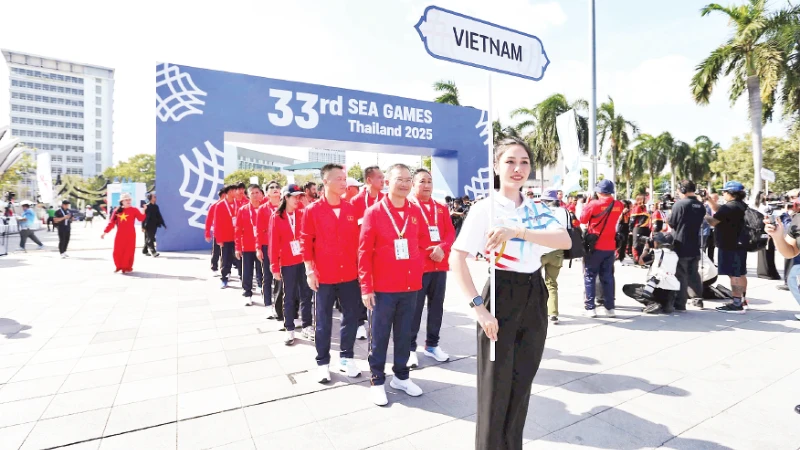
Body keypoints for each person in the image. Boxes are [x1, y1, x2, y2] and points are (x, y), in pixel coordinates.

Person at [449, 138, 569, 450]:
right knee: (495, 386)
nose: (518, 169)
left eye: (524, 162)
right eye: (510, 162)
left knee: (522, 380)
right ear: (496, 166)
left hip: (534, 291)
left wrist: (517, 232)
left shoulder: (536, 208)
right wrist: (479, 309)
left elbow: (565, 240)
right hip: (501, 294)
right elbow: (457, 258)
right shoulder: (484, 209)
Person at [359, 163, 428, 406]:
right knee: (378, 336)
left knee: (404, 334)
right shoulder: (374, 212)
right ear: (387, 182)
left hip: (410, 286)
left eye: (409, 179)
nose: (405, 183)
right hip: (383, 288)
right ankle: (377, 380)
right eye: (400, 179)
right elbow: (364, 252)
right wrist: (366, 287)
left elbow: (422, 241)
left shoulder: (415, 211)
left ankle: (401, 376)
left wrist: (417, 265)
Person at [301, 164, 363, 383]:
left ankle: (346, 358)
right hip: (324, 276)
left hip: (349, 275)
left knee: (351, 318)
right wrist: (310, 271)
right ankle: (323, 363)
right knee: (324, 321)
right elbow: (306, 243)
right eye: (338, 178)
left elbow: (359, 243)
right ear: (325, 181)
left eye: (345, 178)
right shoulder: (312, 210)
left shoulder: (351, 209)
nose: (343, 182)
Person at [407, 168, 456, 367]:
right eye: (422, 181)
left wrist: (442, 248)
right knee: (414, 309)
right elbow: (408, 236)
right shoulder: (409, 206)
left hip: (440, 266)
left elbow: (450, 233)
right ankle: (409, 348)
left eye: (429, 181)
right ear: (413, 184)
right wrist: (430, 251)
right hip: (419, 267)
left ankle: (432, 345)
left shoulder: (441, 208)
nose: (426, 185)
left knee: (436, 308)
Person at [270, 184, 313, 345]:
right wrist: (274, 266)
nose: (297, 199)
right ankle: (289, 328)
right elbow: (273, 243)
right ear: (286, 197)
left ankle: (308, 325)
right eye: (294, 196)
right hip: (287, 262)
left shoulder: (302, 213)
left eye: (299, 196)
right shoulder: (277, 216)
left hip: (303, 260)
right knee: (289, 296)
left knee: (307, 295)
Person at [351, 165, 386, 340]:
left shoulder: (386, 200)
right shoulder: (356, 202)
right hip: (362, 253)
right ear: (369, 180)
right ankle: (359, 322)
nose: (383, 180)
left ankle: (379, 320)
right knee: (361, 288)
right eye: (379, 177)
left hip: (382, 253)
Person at [580, 180, 624, 318]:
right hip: (610, 246)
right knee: (608, 277)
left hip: (594, 246)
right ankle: (610, 308)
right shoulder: (618, 205)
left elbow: (582, 219)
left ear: (598, 191)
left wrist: (587, 204)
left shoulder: (593, 204)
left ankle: (590, 308)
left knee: (589, 276)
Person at [705, 181, 749, 314]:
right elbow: (720, 211)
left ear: (731, 193)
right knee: (740, 273)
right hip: (740, 244)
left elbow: (713, 221)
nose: (723, 194)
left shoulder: (729, 207)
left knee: (733, 274)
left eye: (724, 192)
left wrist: (702, 213)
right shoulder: (740, 205)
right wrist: (709, 201)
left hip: (729, 245)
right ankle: (742, 300)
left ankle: (736, 304)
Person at [669, 180, 706, 311]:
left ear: (682, 190)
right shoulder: (700, 205)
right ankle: (697, 300)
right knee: (693, 273)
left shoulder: (679, 204)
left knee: (681, 274)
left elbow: (672, 223)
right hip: (694, 243)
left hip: (680, 243)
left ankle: (680, 303)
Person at [623, 232, 680, 314]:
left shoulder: (657, 254)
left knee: (628, 288)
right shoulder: (674, 254)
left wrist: (646, 249)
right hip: (671, 295)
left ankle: (652, 303)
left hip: (658, 290)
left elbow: (640, 262)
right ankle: (666, 305)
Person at [539, 189, 570, 325]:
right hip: (557, 251)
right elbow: (568, 229)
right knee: (552, 284)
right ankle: (553, 314)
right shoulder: (564, 211)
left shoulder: (537, 211)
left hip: (539, 251)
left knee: (533, 283)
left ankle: (536, 312)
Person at [101, 194, 146, 273]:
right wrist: (105, 232)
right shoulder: (117, 210)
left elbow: (141, 218)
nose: (128, 201)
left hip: (131, 234)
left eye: (129, 199)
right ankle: (118, 266)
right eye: (126, 200)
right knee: (117, 251)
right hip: (120, 234)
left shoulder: (134, 210)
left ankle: (126, 267)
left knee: (129, 251)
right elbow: (111, 223)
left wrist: (144, 210)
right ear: (122, 202)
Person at [236, 185, 265, 305]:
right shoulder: (243, 210)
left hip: (262, 246)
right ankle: (247, 293)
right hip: (247, 246)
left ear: (261, 194)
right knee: (247, 271)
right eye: (252, 193)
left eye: (257, 192)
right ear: (248, 195)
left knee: (262, 270)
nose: (255, 195)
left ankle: (262, 289)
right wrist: (237, 247)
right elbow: (238, 230)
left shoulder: (265, 209)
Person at [257, 181, 282, 318]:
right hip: (267, 246)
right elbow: (259, 230)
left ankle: (281, 306)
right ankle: (268, 305)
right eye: (271, 188)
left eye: (277, 187)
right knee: (268, 276)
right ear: (267, 193)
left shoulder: (285, 206)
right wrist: (258, 248)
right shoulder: (263, 209)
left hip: (283, 247)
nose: (275, 189)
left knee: (282, 278)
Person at [207, 186, 238, 289]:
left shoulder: (239, 203)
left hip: (237, 237)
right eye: (232, 190)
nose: (235, 192)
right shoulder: (218, 206)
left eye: (235, 190)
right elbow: (217, 223)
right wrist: (218, 238)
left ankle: (243, 279)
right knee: (224, 257)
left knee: (238, 258)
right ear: (226, 193)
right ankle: (224, 278)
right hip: (225, 237)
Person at [205, 188, 226, 274]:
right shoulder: (214, 206)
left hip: (228, 233)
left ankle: (224, 269)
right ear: (222, 196)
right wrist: (207, 233)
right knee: (216, 251)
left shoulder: (230, 205)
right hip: (217, 232)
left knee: (225, 253)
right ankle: (214, 267)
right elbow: (209, 220)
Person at [142, 193, 166, 257]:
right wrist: (143, 226)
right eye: (154, 197)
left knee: (149, 238)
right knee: (150, 238)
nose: (155, 198)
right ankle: (153, 252)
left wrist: (163, 224)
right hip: (148, 225)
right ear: (150, 198)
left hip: (154, 225)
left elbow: (159, 215)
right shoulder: (147, 206)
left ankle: (145, 250)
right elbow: (143, 217)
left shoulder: (156, 206)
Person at [630, 194, 651, 263]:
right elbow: (632, 219)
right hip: (638, 228)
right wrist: (631, 229)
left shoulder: (644, 207)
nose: (647, 199)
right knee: (636, 244)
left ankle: (641, 259)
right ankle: (636, 259)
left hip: (645, 227)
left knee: (644, 244)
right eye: (645, 198)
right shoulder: (637, 207)